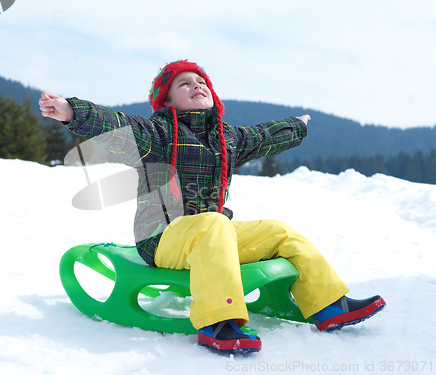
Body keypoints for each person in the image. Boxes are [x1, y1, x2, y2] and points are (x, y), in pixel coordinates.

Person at [39, 60, 385, 354]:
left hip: (212, 237)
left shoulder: (226, 138)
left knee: (277, 231)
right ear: (167, 100)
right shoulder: (156, 134)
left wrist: (298, 126)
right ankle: (219, 322)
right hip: (161, 239)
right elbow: (114, 123)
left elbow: (263, 136)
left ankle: (329, 305)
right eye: (184, 84)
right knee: (213, 223)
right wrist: (72, 111)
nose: (196, 86)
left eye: (201, 82)